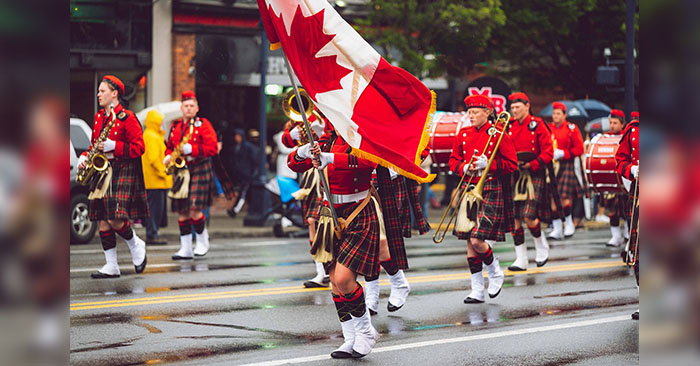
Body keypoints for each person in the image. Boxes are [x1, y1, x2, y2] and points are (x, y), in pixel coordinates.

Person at [288, 127, 380, 359]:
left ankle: (365, 332)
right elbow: (294, 164)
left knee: (343, 278)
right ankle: (349, 338)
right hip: (329, 212)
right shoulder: (327, 139)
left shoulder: (362, 135)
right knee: (335, 283)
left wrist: (331, 159)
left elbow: (370, 162)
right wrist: (303, 152)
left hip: (357, 210)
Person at [77, 75, 148, 278]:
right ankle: (111, 265)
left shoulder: (128, 117)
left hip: (121, 169)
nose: (99, 94)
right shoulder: (100, 117)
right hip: (102, 169)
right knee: (102, 219)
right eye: (99, 91)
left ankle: (136, 243)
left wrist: (115, 147)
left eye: (102, 91)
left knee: (115, 218)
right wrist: (85, 156)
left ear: (114, 93)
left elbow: (139, 148)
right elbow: (94, 145)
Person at [449, 95, 518, 303]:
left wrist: (489, 164)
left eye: (475, 112)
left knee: (478, 239)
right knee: (469, 243)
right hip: (469, 187)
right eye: (469, 112)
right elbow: (453, 161)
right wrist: (464, 167)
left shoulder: (497, 133)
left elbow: (512, 164)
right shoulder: (462, 134)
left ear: (487, 113)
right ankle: (477, 289)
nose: (471, 116)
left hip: (490, 186)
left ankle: (495, 271)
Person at [165, 91, 218, 259]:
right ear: (181, 108)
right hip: (181, 170)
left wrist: (193, 150)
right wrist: (167, 155)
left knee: (195, 208)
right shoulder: (175, 126)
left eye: (191, 106)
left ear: (197, 108)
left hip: (199, 167)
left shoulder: (203, 125)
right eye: (185, 106)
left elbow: (213, 148)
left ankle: (203, 241)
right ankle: (185, 248)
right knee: (183, 211)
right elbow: (170, 146)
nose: (188, 109)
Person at [506, 92, 553, 271]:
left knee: (529, 215)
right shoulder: (508, 126)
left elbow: (548, 152)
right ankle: (521, 258)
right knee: (515, 219)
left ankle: (541, 246)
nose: (514, 110)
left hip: (534, 174)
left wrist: (532, 164)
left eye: (517, 107)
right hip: (515, 174)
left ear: (527, 106)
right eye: (512, 108)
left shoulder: (538, 125)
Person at [281, 115, 330, 288]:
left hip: (327, 169)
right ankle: (321, 272)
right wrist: (294, 134)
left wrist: (321, 129)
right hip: (309, 173)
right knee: (312, 221)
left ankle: (330, 269)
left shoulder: (323, 113)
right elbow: (285, 141)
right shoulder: (297, 119)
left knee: (327, 223)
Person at [548, 102, 584, 240]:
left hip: (566, 164)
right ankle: (557, 229)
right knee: (553, 199)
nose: (555, 116)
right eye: (554, 113)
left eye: (558, 113)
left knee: (564, 198)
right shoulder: (549, 128)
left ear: (564, 115)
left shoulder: (572, 129)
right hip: (552, 166)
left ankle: (569, 224)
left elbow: (580, 149)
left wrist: (563, 153)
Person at [615, 113, 639, 320]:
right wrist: (631, 169)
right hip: (641, 192)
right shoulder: (632, 130)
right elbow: (619, 160)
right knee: (640, 249)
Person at [141, 109, 172, 245]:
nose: (162, 124)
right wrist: (164, 171)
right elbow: (154, 159)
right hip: (154, 180)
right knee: (154, 210)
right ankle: (152, 234)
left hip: (155, 180)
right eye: (160, 121)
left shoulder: (153, 135)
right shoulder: (151, 136)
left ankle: (153, 232)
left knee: (155, 210)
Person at [601, 109, 628, 247]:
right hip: (610, 178)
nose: (612, 125)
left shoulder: (626, 136)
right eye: (610, 122)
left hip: (623, 179)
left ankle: (628, 234)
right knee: (612, 209)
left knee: (626, 208)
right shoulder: (605, 137)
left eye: (615, 123)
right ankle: (615, 236)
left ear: (622, 124)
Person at [227, 128, 258, 216]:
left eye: (238, 136)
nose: (236, 138)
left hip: (247, 174)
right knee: (246, 193)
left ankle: (235, 210)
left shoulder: (248, 147)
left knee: (243, 193)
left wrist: (252, 172)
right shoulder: (236, 147)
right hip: (240, 174)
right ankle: (251, 209)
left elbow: (254, 160)